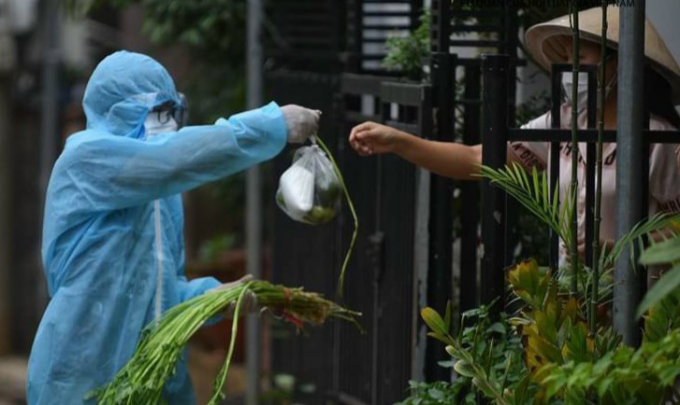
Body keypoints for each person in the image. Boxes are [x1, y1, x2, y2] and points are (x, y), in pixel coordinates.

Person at [27, 50, 321, 405]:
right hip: (80, 376)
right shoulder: (87, 159)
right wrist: (271, 124)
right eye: (157, 112)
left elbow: (160, 294)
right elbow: (172, 158)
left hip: (154, 380)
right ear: (116, 110)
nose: (166, 124)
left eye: (171, 112)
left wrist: (215, 298)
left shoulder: (160, 199)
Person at [349, 6, 680, 267]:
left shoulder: (657, 140)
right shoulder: (564, 124)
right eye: (567, 59)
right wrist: (397, 142)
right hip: (572, 308)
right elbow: (478, 159)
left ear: (618, 65)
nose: (570, 69)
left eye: (581, 57)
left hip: (640, 318)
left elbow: (676, 234)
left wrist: (618, 251)